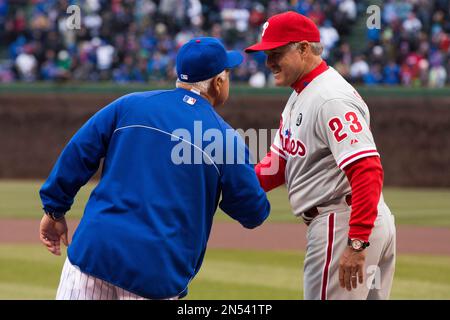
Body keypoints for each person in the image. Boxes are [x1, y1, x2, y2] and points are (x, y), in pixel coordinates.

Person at [39, 37, 270, 300]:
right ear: (218, 83)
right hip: (155, 272)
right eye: (227, 74)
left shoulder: (129, 105)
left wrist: (54, 210)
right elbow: (253, 212)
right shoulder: (225, 138)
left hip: (94, 252)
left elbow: (78, 152)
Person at [245, 11, 396, 300]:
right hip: (350, 220)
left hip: (342, 224)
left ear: (303, 48)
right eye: (266, 53)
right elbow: (277, 165)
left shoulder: (329, 97)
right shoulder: (301, 94)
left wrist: (356, 243)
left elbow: (367, 169)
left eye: (276, 52)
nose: (269, 62)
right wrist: (224, 187)